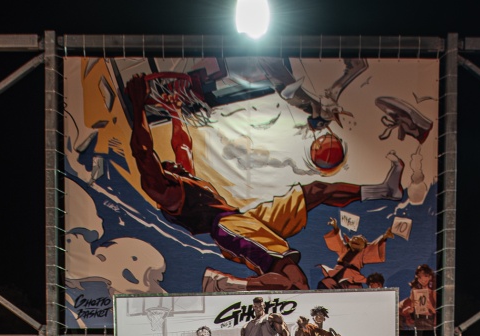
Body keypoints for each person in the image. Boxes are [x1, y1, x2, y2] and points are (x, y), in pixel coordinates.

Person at [124, 71, 403, 293]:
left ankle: (385, 190)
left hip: (245, 216)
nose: (174, 163)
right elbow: (143, 153)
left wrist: (175, 112)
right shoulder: (165, 191)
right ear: (162, 172)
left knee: (316, 191)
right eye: (166, 165)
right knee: (295, 281)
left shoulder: (184, 178)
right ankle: (226, 284)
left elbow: (182, 146)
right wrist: (138, 107)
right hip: (228, 228)